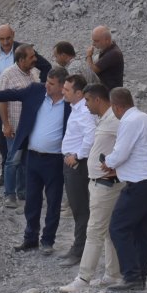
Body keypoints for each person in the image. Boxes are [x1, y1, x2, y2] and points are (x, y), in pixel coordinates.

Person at [0, 67, 72, 255]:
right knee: (31, 200)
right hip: (32, 157)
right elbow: (8, 94)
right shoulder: (36, 91)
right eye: (47, 81)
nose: (47, 85)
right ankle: (30, 239)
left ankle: (48, 241)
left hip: (55, 161)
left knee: (53, 202)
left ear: (62, 86)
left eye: (52, 84)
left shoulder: (71, 104)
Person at [58, 84, 124, 293]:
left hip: (107, 185)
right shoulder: (103, 120)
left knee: (94, 231)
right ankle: (112, 274)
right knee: (106, 233)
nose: (85, 105)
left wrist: (118, 169)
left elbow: (128, 146)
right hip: (98, 182)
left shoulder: (115, 121)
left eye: (87, 100)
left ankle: (83, 278)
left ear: (97, 100)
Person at [101, 87, 147, 292]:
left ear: (116, 106)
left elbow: (120, 154)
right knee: (141, 230)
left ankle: (131, 276)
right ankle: (140, 276)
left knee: (118, 227)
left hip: (140, 182)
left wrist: (108, 162)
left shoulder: (128, 121)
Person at [0, 25, 52, 183]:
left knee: (24, 138)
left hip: (23, 103)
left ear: (13, 35)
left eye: (8, 38)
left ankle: (23, 180)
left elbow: (46, 66)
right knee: (3, 137)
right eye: (2, 39)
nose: (6, 42)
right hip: (2, 100)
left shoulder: (24, 51)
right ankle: (6, 175)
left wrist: (39, 89)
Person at [57, 74, 95, 266]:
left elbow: (91, 136)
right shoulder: (76, 108)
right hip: (71, 162)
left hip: (77, 165)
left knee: (80, 209)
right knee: (78, 208)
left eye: (66, 90)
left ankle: (79, 250)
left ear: (78, 93)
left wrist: (78, 156)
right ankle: (79, 247)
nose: (62, 92)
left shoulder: (85, 112)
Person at [0, 45, 40, 206]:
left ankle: (23, 191)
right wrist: (6, 125)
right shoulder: (7, 76)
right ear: (21, 60)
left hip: (31, 127)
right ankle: (10, 194)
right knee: (13, 160)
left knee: (26, 161)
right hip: (14, 127)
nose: (35, 59)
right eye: (31, 57)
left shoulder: (34, 74)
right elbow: (2, 101)